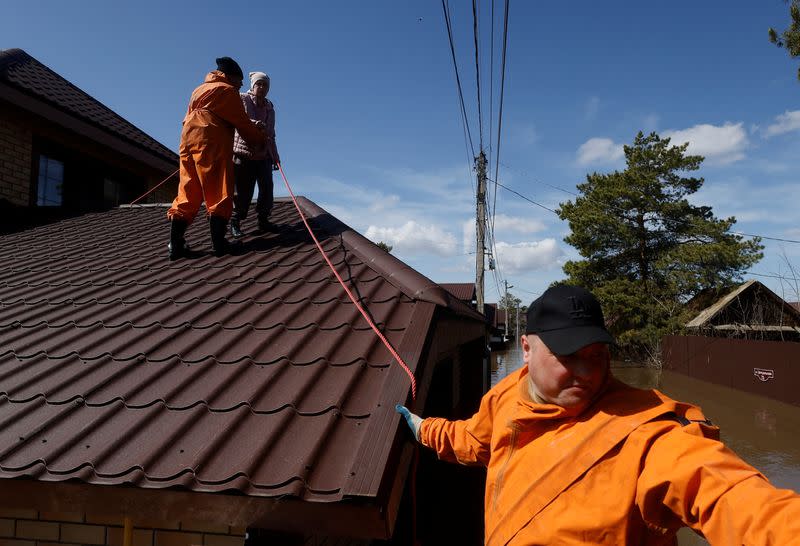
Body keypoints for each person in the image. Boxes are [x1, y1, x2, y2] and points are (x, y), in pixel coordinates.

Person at [396, 284, 800, 545]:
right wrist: (423, 428)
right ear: (526, 349)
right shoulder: (504, 395)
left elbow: (734, 498)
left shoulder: (650, 432)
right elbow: (471, 439)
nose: (588, 372)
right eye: (568, 355)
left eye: (597, 355)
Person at [166, 56, 266, 259]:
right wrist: (261, 139)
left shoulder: (199, 89)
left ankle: (175, 245)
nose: (240, 86)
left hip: (187, 138)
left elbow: (188, 116)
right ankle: (219, 244)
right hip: (210, 137)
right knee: (218, 188)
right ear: (231, 77)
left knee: (188, 190)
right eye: (239, 82)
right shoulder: (228, 91)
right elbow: (243, 125)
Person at [229, 71, 281, 238]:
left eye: (265, 85)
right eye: (259, 84)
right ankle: (236, 221)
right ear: (253, 85)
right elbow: (237, 118)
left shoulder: (270, 107)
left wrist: (275, 156)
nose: (262, 87)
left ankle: (263, 220)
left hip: (263, 154)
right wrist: (254, 123)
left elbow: (271, 134)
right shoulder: (242, 98)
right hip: (244, 153)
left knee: (267, 188)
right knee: (243, 192)